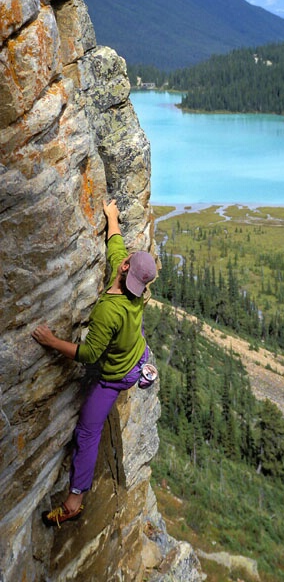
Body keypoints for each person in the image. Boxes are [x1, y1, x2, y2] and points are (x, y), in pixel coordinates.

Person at [32, 199, 157, 527]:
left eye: (126, 260)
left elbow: (88, 355)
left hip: (115, 376)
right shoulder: (138, 292)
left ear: (126, 268)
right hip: (136, 351)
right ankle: (143, 367)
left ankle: (75, 499)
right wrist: (111, 217)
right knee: (134, 339)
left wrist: (51, 342)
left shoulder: (109, 310)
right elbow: (116, 245)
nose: (122, 260)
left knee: (88, 431)